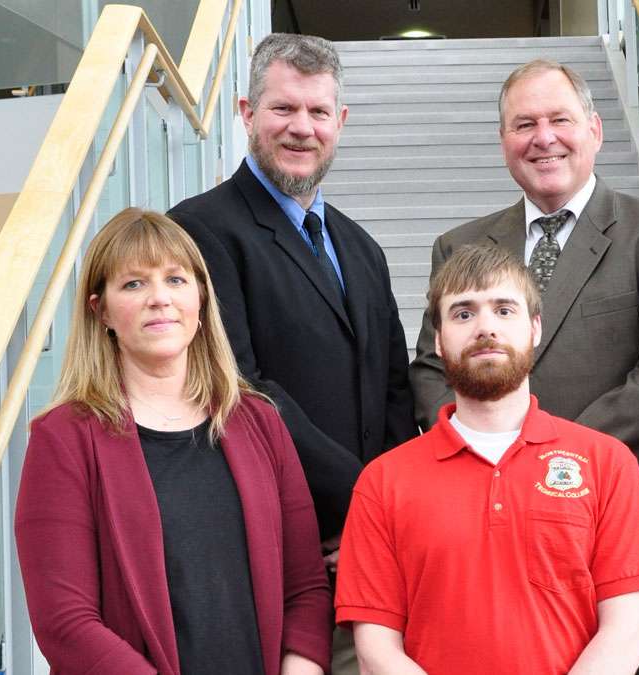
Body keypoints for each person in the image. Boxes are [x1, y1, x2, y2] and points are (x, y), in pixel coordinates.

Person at [408, 59, 639, 675]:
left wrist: (550, 462)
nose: (542, 137)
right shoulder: (459, 246)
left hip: (610, 509)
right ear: (503, 142)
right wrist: (485, 459)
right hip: (475, 507)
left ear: (596, 130)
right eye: (523, 124)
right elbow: (429, 365)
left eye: (559, 119)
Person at [167, 34, 416, 669]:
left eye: (318, 112)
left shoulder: (362, 247)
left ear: (341, 122)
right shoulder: (199, 231)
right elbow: (242, 390)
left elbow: (393, 390)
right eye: (283, 109)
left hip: (368, 560)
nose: (302, 128)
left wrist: (383, 518)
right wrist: (365, 502)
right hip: (270, 546)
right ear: (246, 113)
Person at [14, 208, 330, 675]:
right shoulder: (63, 438)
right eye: (134, 284)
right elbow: (66, 623)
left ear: (201, 299)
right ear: (100, 311)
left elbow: (304, 585)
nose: (159, 298)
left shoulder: (259, 421)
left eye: (176, 280)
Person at [337, 245, 639, 674]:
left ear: (535, 328)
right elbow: (376, 648)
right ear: (437, 340)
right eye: (463, 313)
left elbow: (624, 634)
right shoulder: (383, 481)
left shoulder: (607, 464)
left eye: (504, 310)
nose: (485, 327)